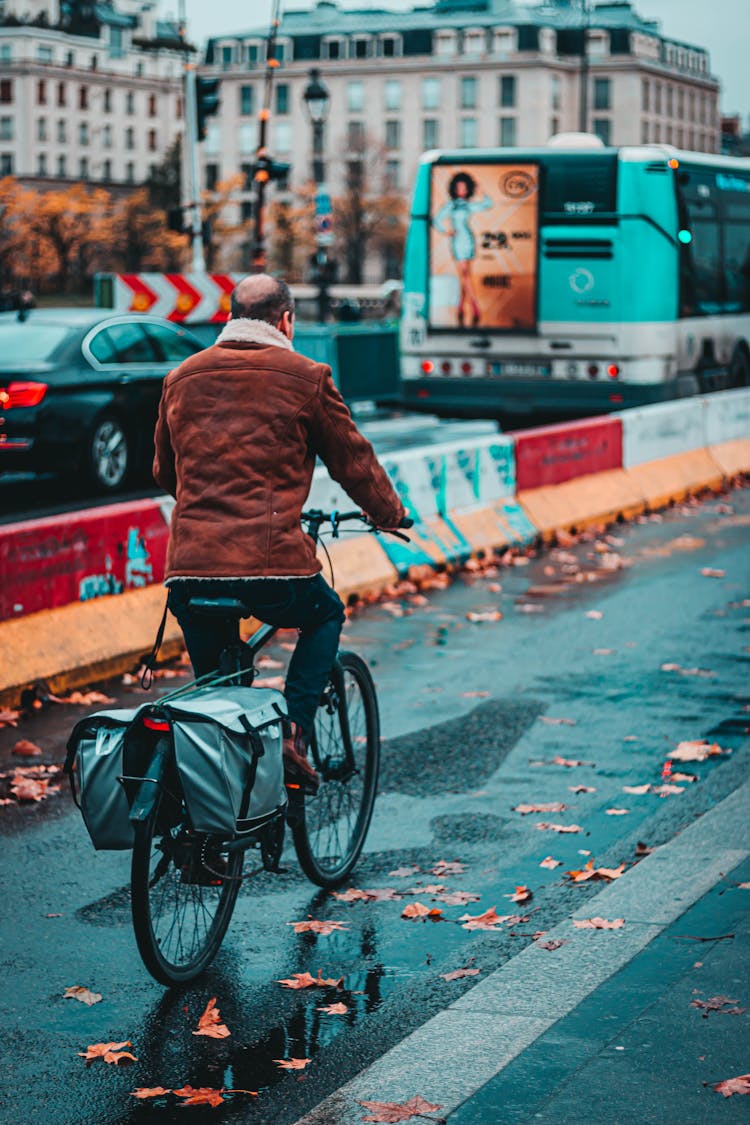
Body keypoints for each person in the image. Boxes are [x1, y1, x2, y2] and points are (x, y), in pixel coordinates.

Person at [153, 274, 406, 791]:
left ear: (229, 317)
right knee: (325, 613)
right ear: (286, 320)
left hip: (191, 568)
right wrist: (389, 514)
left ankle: (214, 830)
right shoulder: (306, 375)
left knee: (217, 700)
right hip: (272, 569)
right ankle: (293, 734)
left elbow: (164, 473)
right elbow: (352, 462)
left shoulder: (181, 376)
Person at [432, 171, 492, 327]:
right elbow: (437, 220)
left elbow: (487, 204)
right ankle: (475, 307)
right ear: (454, 189)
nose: (462, 191)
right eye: (459, 188)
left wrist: (481, 191)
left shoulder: (468, 206)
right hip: (457, 241)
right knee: (464, 274)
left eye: (464, 188)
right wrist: (446, 231)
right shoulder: (450, 206)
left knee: (465, 276)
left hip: (468, 239)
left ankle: (460, 309)